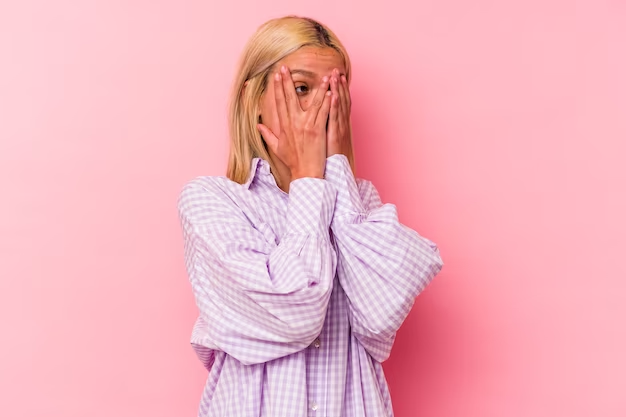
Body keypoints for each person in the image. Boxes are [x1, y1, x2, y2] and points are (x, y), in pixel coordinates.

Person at [177, 15, 444, 417]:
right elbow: (294, 314)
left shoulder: (359, 202)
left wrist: (335, 171)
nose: (321, 109)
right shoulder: (213, 201)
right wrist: (307, 179)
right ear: (253, 98)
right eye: (302, 88)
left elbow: (379, 316)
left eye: (334, 92)